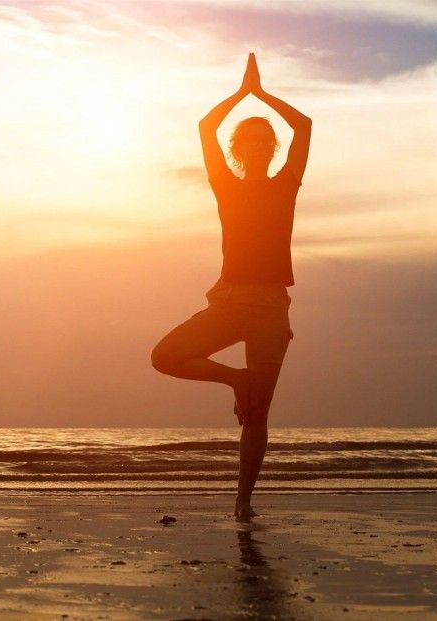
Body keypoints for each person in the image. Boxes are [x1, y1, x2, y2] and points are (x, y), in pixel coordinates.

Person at [151, 53, 311, 521]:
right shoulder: (225, 183)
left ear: (273, 149)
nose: (260, 144)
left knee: (258, 414)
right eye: (251, 138)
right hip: (228, 299)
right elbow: (206, 126)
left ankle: (243, 503)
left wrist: (263, 96)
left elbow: (302, 126)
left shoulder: (287, 184)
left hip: (269, 308)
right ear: (239, 148)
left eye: (267, 139)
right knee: (164, 356)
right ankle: (235, 380)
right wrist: (241, 96)